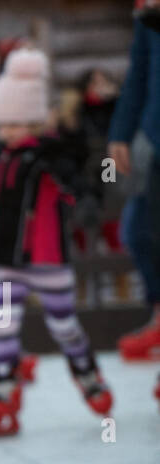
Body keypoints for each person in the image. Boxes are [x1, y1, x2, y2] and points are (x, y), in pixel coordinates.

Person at [0, 49, 111, 437]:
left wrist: (85, 198)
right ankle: (4, 384)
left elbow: (76, 188)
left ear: (34, 121)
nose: (3, 133)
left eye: (13, 125)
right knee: (4, 326)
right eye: (0, 125)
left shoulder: (49, 156)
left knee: (64, 325)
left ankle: (86, 371)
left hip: (48, 258)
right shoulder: (2, 155)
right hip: (8, 258)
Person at [109, 0, 160, 362]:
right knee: (140, 231)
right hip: (156, 137)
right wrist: (121, 132)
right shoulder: (149, 15)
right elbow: (138, 73)